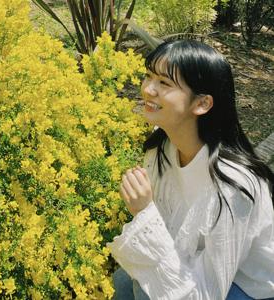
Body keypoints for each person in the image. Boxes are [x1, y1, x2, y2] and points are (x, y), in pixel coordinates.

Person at [107, 39, 274, 300]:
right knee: (126, 283)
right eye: (148, 76)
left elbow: (206, 295)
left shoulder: (233, 187)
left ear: (202, 104)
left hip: (247, 287)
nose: (148, 89)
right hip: (196, 266)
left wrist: (144, 213)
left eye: (165, 83)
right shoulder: (160, 148)